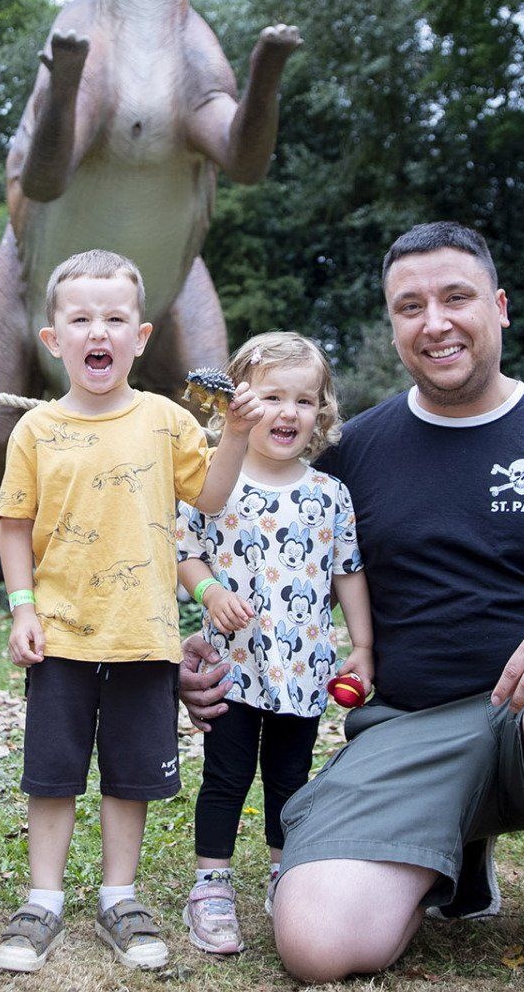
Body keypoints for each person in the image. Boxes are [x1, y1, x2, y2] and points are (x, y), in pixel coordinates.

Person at [180, 223, 524, 992]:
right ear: (393, 325)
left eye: (457, 297)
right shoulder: (350, 452)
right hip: (407, 727)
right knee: (318, 944)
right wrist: (206, 644)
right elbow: (265, 554)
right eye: (410, 305)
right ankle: (450, 859)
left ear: (501, 306)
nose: (435, 321)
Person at [0, 249, 264, 973]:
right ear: (54, 340)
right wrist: (21, 607)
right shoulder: (35, 429)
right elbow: (13, 523)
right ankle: (42, 896)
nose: (97, 330)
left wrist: (233, 436)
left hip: (145, 636)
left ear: (140, 337)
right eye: (80, 318)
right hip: (61, 632)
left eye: (114, 317)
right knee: (51, 771)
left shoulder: (168, 420)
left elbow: (209, 498)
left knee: (130, 773)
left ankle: (120, 892)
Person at [173, 332, 372, 956]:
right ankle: (211, 883)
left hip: (303, 668)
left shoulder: (329, 495)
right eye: (271, 397)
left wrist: (362, 646)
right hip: (233, 667)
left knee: (290, 778)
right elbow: (187, 554)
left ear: (322, 412)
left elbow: (349, 571)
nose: (288, 412)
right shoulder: (214, 483)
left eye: (304, 400)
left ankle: (288, 876)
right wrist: (209, 595)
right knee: (227, 777)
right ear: (237, 407)